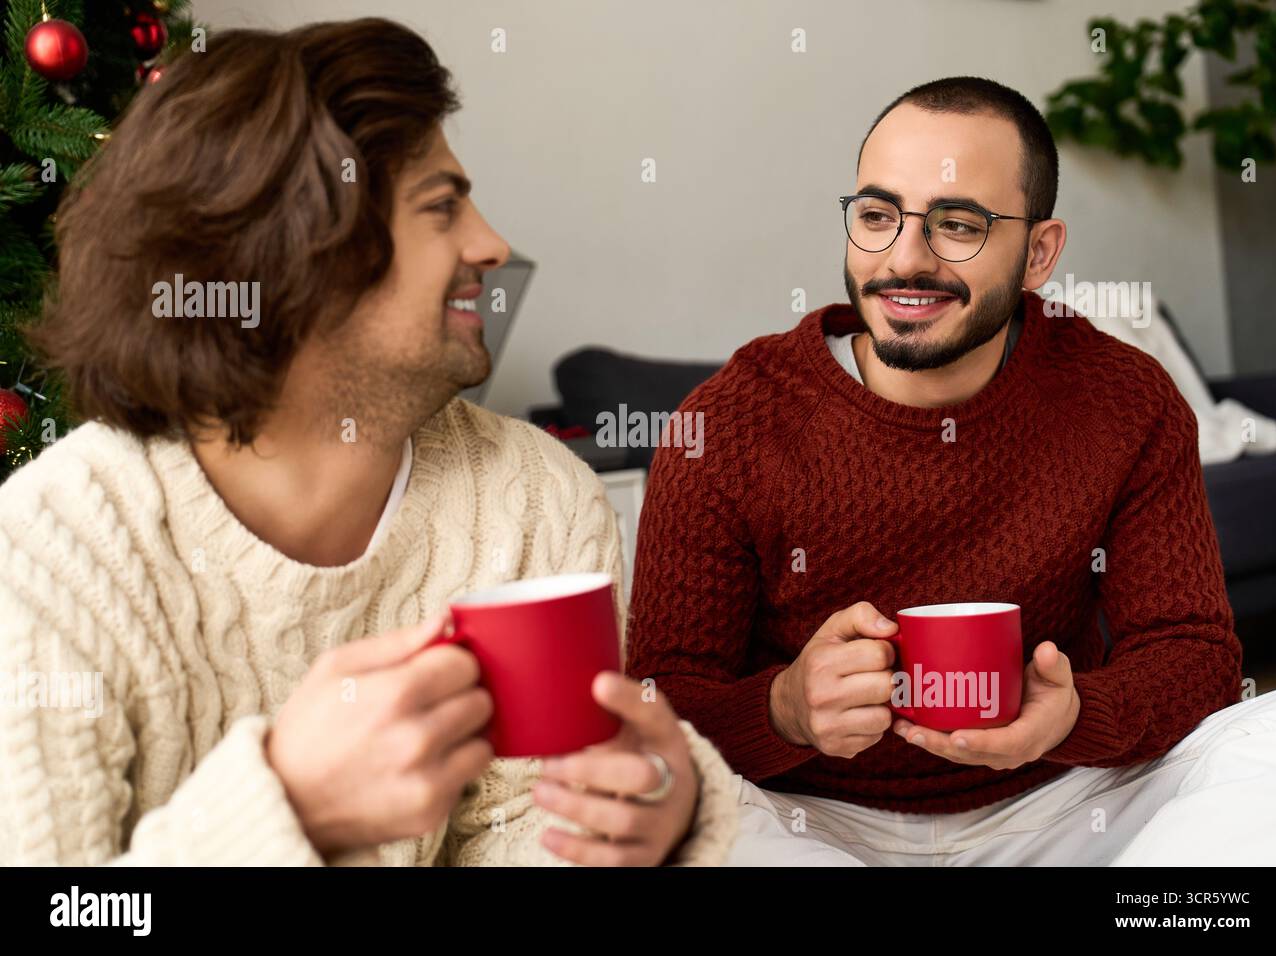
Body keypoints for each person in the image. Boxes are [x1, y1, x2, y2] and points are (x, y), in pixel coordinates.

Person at [0, 18, 736, 867]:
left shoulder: (535, 497)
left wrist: (648, 820)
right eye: (441, 207)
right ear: (300, 253)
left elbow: (528, 829)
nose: (491, 244)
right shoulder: (51, 551)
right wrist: (288, 812)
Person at [625, 75, 1276, 865]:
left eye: (958, 224)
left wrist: (1075, 712)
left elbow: (1195, 659)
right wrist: (782, 710)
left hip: (1064, 807)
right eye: (877, 217)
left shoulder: (1124, 398)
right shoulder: (727, 423)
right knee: (652, 820)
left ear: (1039, 252)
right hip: (812, 827)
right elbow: (660, 707)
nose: (904, 260)